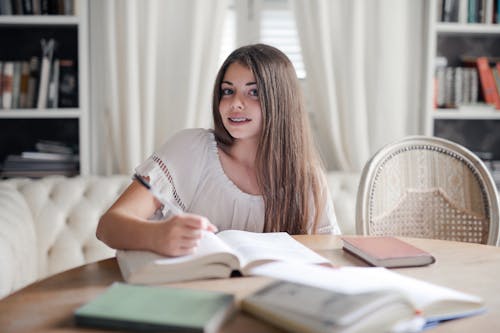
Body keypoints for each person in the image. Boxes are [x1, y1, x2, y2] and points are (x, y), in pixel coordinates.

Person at [96, 43, 340, 257]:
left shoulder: (307, 178)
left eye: (253, 92)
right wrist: (157, 235)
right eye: (228, 91)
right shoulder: (191, 149)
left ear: (281, 101)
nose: (235, 103)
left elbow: (330, 252)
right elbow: (108, 226)